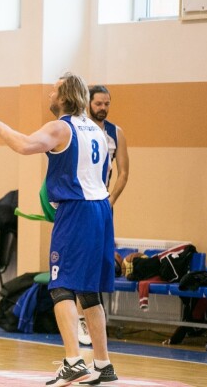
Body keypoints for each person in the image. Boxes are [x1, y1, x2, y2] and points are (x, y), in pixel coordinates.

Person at [0, 73, 118, 386]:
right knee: (88, 290)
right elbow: (106, 172)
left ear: (64, 96)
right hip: (101, 209)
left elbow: (25, 145)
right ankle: (103, 365)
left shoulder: (60, 126)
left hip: (77, 209)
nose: (49, 95)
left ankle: (73, 361)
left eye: (53, 90)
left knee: (60, 285)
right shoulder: (96, 130)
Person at [77, 84, 130, 346]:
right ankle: (80, 320)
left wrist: (111, 200)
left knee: (99, 262)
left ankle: (93, 318)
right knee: (80, 262)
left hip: (102, 204)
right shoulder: (78, 127)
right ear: (88, 103)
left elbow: (123, 172)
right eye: (99, 103)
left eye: (107, 104)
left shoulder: (115, 133)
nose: (103, 108)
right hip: (81, 204)